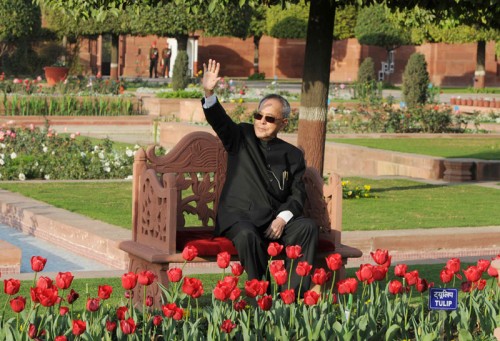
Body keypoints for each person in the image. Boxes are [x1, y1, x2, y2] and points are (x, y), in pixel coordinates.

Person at [201, 59, 318, 296]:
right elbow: (219, 121)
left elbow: (298, 194)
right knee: (247, 235)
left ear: (283, 123)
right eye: (258, 115)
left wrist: (282, 220)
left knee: (307, 227)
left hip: (273, 222)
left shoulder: (293, 155)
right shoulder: (241, 136)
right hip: (240, 218)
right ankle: (261, 292)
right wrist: (209, 91)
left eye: (270, 119)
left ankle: (291, 297)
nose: (262, 122)